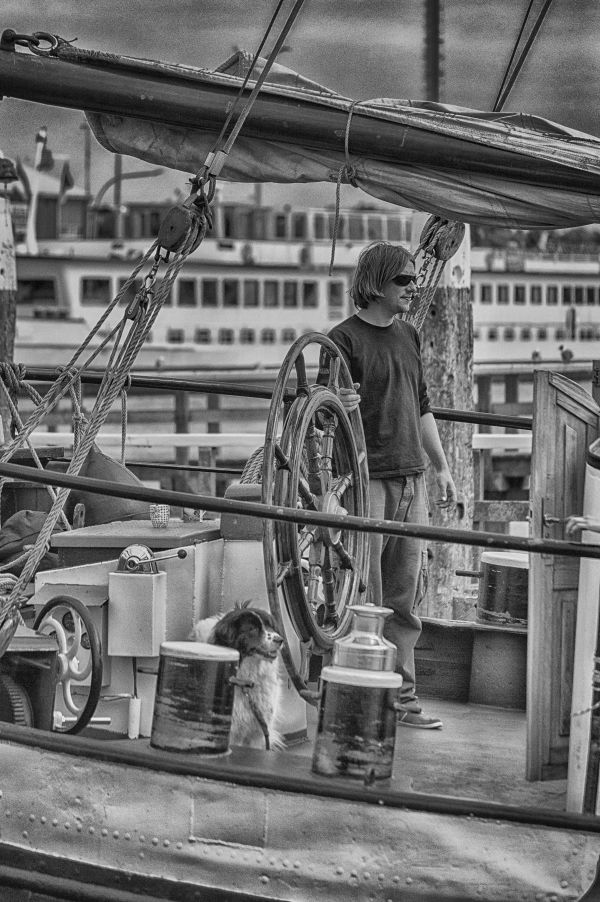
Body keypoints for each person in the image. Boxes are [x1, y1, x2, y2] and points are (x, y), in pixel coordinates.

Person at [318, 241, 457, 729]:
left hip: (411, 479)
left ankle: (402, 698)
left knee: (403, 598)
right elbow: (318, 417)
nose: (412, 287)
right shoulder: (343, 341)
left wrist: (440, 468)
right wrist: (337, 402)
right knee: (367, 595)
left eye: (414, 279)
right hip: (367, 481)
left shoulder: (409, 336)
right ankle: (361, 694)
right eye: (404, 280)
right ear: (376, 283)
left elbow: (422, 407)